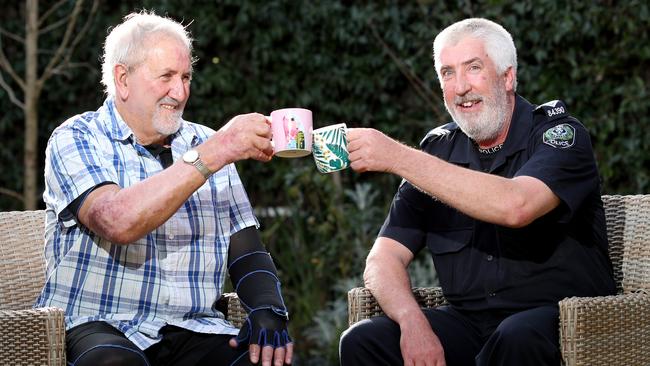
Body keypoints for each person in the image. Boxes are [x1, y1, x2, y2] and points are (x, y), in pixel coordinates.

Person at [339, 18, 616, 366]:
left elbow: (516, 205)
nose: (460, 88)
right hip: (470, 326)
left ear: (507, 77)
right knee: (364, 341)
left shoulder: (560, 135)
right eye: (447, 73)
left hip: (561, 323)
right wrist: (413, 322)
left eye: (473, 69)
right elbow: (383, 259)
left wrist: (396, 156)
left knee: (516, 337)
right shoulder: (438, 151)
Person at [36, 11, 293, 366]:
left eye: (186, 76)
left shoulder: (203, 141)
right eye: (167, 77)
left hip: (195, 326)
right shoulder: (77, 137)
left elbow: (245, 248)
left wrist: (269, 309)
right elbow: (116, 220)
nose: (181, 90)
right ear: (123, 79)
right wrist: (216, 151)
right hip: (101, 324)